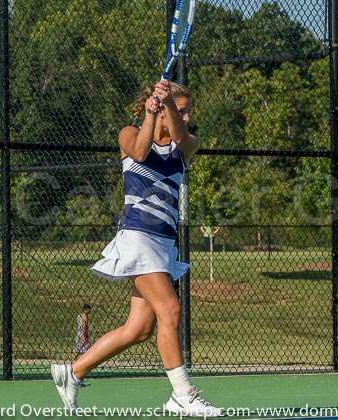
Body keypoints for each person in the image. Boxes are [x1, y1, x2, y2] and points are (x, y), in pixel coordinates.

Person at [50, 80, 222, 417]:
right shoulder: (128, 133)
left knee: (139, 329)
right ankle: (182, 394)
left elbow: (183, 138)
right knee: (170, 310)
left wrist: (168, 106)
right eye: (182, 111)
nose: (186, 118)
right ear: (156, 109)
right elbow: (140, 152)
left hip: (163, 244)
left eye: (185, 112)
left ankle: (73, 371)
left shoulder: (184, 147)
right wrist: (150, 113)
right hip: (137, 237)